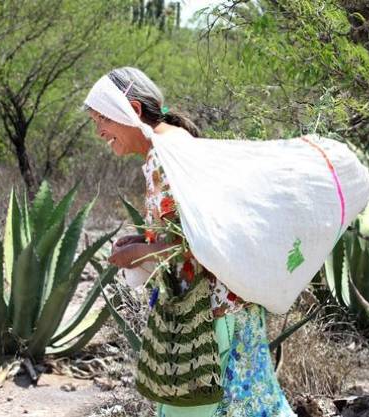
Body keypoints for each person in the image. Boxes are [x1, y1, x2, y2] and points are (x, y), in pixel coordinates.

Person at [86, 66, 296, 417]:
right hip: (226, 307)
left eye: (102, 119)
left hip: (206, 315)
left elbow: (201, 242)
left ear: (133, 111)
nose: (99, 131)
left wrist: (140, 253)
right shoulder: (178, 144)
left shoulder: (165, 155)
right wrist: (144, 239)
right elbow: (192, 228)